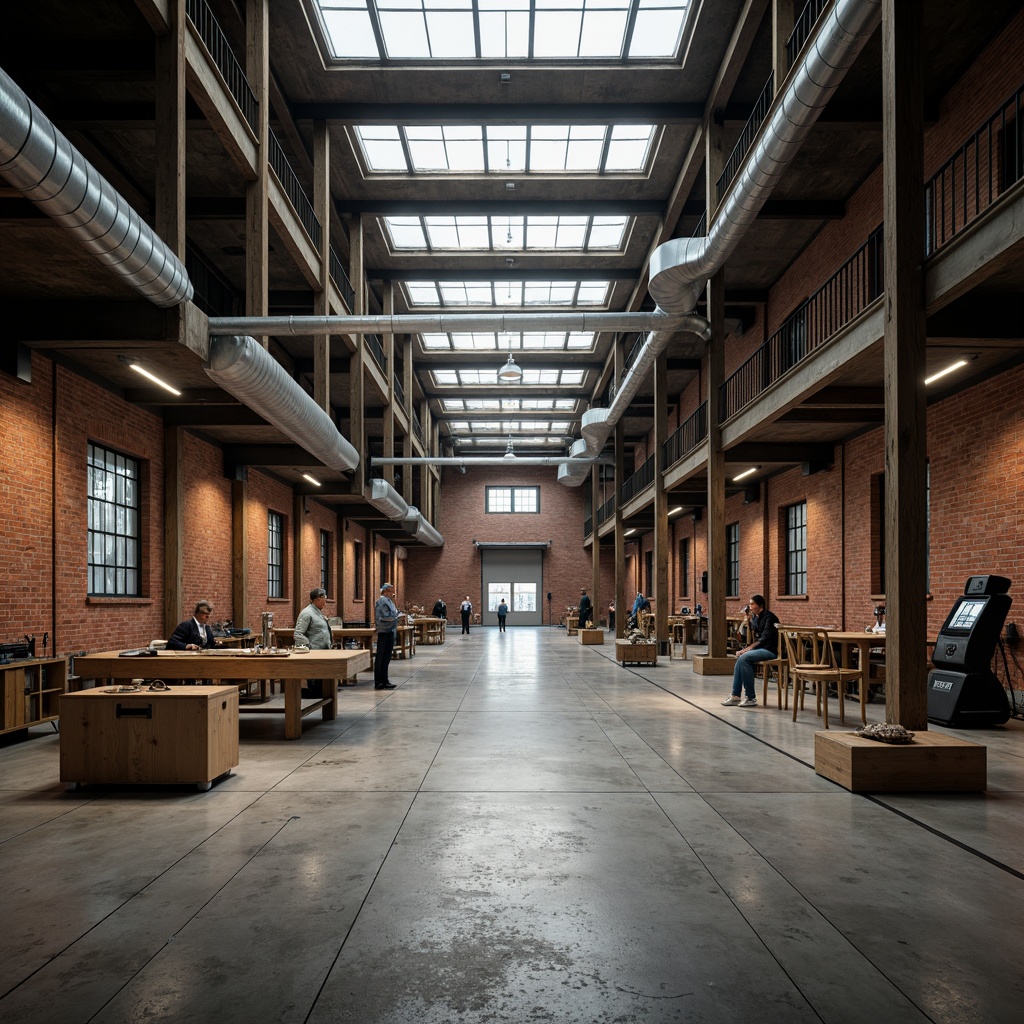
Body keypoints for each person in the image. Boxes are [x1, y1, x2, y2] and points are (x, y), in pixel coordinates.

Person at [722, 594, 779, 708]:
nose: (750, 606)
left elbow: (764, 638)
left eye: (752, 604)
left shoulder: (769, 617)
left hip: (769, 650)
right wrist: (745, 649)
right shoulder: (755, 618)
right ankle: (735, 695)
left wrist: (747, 649)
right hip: (759, 649)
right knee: (740, 658)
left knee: (744, 658)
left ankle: (750, 697)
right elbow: (755, 638)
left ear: (760, 606)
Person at [294, 587, 332, 698]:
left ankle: (321, 691)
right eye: (324, 598)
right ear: (317, 599)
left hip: (323, 651)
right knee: (315, 681)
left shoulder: (317, 612)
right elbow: (298, 634)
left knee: (322, 680)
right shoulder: (307, 613)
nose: (325, 601)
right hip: (315, 651)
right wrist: (309, 646)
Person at [374, 582, 399, 690]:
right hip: (383, 632)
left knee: (387, 658)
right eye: (391, 592)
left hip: (390, 631)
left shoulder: (389, 601)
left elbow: (394, 613)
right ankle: (379, 681)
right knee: (381, 657)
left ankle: (385, 680)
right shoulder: (382, 601)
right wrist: (396, 617)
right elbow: (384, 616)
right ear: (385, 591)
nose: (392, 594)